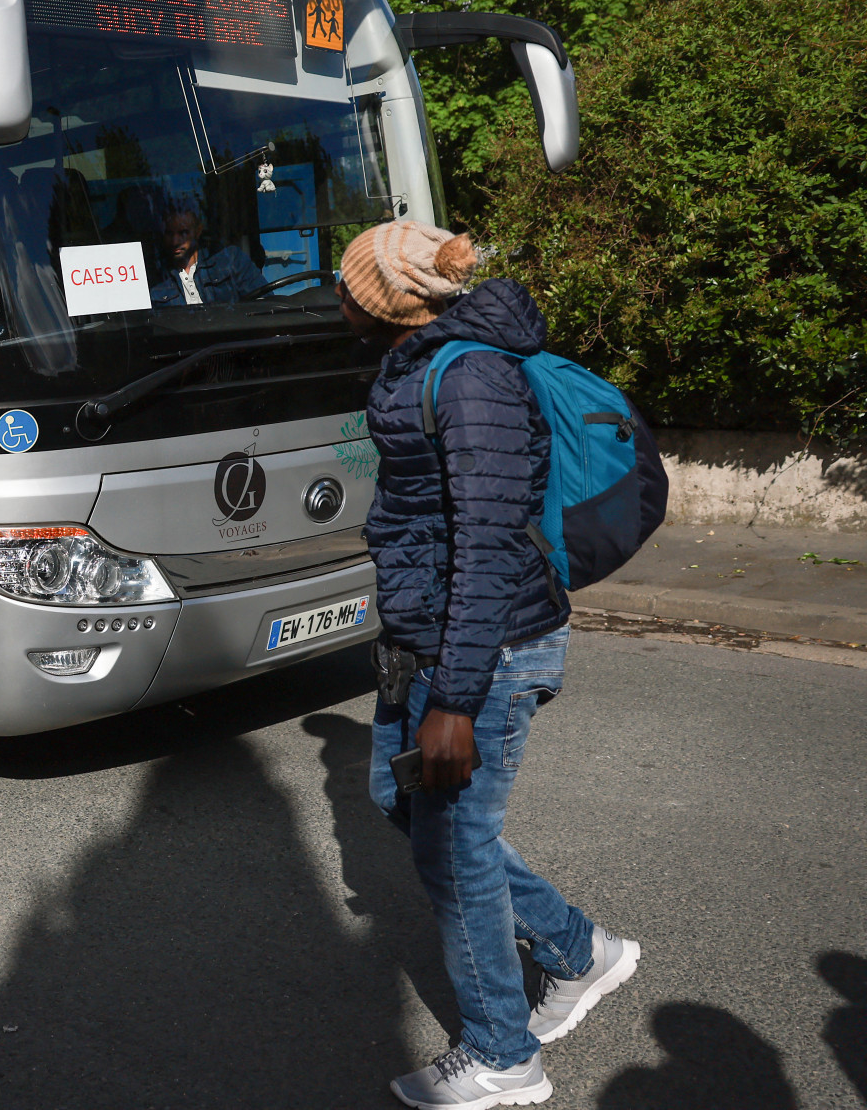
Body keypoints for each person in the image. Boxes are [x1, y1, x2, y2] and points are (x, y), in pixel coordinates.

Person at [339, 220, 640, 1109]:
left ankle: (505, 1056)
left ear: (380, 299)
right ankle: (581, 951)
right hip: (431, 638)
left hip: (487, 649)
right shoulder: (416, 365)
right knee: (401, 802)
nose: (334, 297)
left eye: (345, 283)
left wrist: (456, 701)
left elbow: (489, 543)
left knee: (457, 846)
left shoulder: (470, 377)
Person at [147, 204, 263, 307]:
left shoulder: (230, 259)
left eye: (183, 233)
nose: (175, 241)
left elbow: (263, 305)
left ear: (198, 231)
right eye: (169, 233)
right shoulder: (156, 277)